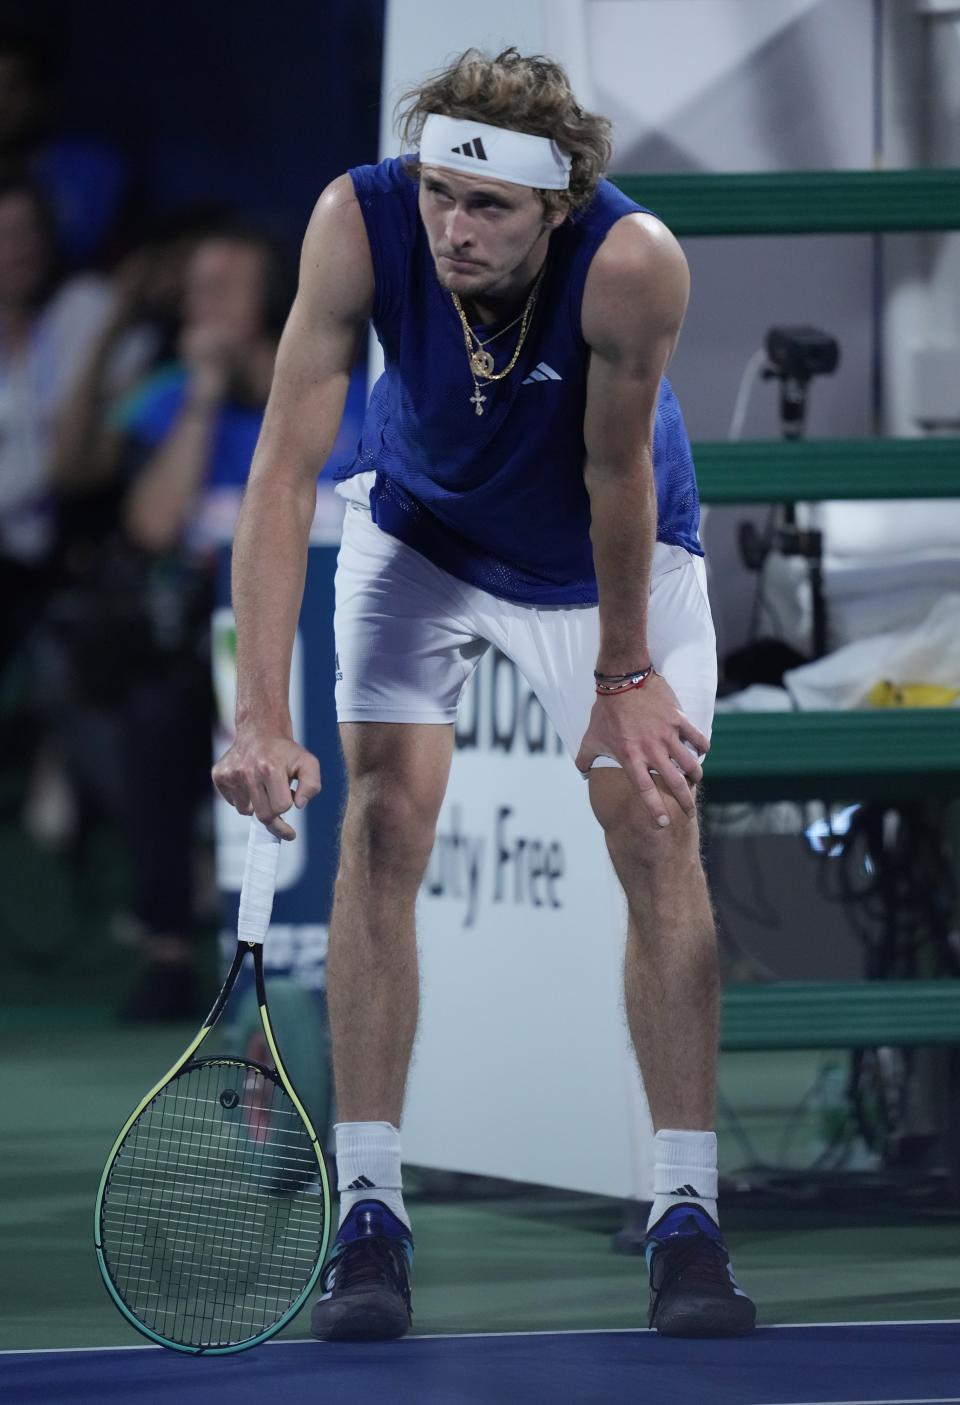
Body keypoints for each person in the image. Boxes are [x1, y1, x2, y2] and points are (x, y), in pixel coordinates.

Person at [213, 48, 757, 1340]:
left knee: (654, 824)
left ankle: (686, 1214)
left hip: (611, 557)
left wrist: (623, 675)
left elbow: (617, 474)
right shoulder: (360, 220)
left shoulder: (634, 265)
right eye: (444, 196)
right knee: (384, 823)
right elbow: (288, 468)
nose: (455, 228)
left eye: (491, 208)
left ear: (558, 206)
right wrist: (259, 709)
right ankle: (371, 1213)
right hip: (423, 533)